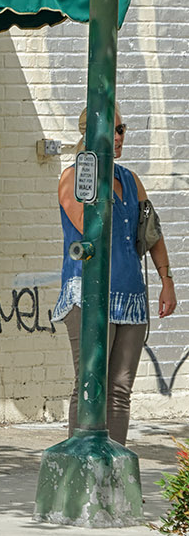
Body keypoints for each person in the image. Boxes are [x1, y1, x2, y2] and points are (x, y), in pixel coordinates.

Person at [53, 105, 176, 444]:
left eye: (123, 130)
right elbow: (89, 228)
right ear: (90, 134)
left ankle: (113, 464)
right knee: (91, 384)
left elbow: (152, 233)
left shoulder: (131, 180)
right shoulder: (73, 177)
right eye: (114, 130)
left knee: (120, 389)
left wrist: (167, 281)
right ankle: (81, 461)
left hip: (131, 295)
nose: (120, 137)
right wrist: (97, 173)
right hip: (89, 294)